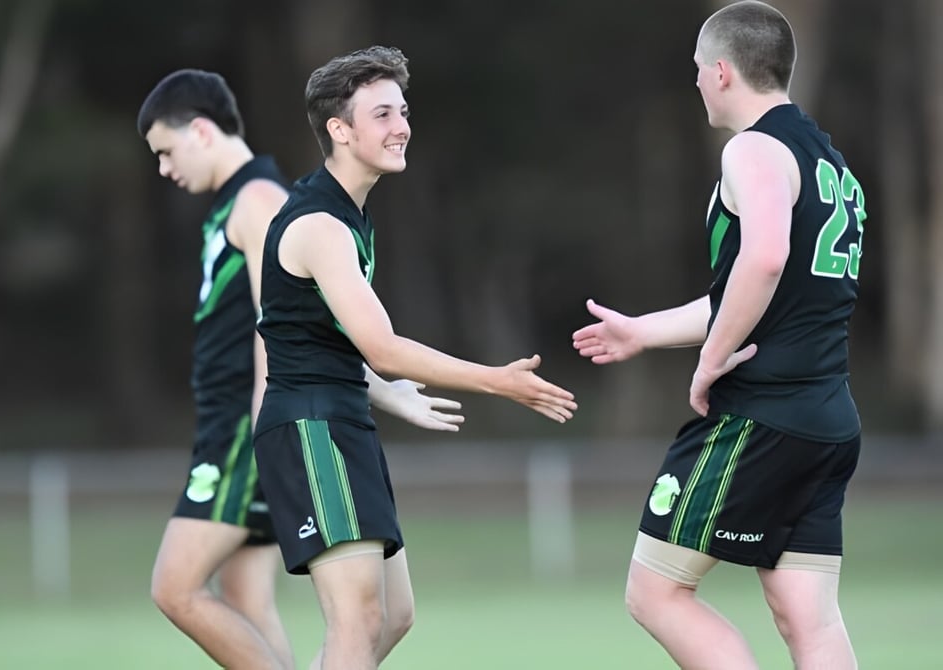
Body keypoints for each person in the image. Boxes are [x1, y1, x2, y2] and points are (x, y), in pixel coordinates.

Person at [253, 45, 577, 670]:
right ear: (339, 130)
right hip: (311, 427)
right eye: (381, 114)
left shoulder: (349, 214)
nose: (401, 126)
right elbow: (382, 347)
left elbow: (310, 332)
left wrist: (383, 391)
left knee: (393, 615)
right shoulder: (319, 224)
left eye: (402, 111)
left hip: (344, 418)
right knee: (358, 620)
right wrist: (497, 382)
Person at [137, 68, 466, 670]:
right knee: (246, 595)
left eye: (166, 150)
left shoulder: (260, 200)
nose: (163, 168)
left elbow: (286, 323)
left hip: (253, 425)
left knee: (176, 587)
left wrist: (278, 428)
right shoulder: (240, 203)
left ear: (202, 132)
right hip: (262, 424)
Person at [573, 2, 864, 668]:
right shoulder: (829, 162)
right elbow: (759, 296)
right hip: (826, 418)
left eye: (700, 70)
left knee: (655, 593)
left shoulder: (752, 148)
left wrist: (710, 361)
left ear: (723, 72)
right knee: (808, 618)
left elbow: (764, 259)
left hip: (761, 415)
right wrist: (643, 331)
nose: (698, 82)